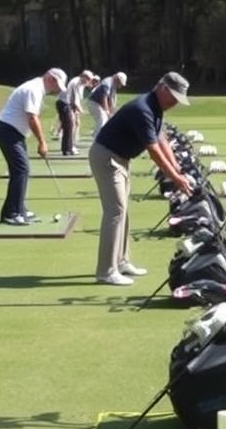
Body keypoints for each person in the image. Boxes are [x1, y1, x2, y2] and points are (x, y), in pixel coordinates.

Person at [89, 72, 193, 285]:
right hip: (107, 157)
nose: (175, 103)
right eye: (173, 97)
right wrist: (174, 177)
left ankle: (122, 261)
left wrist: (177, 169)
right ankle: (106, 271)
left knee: (122, 210)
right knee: (115, 211)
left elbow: (162, 139)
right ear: (162, 88)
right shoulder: (143, 109)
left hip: (120, 159)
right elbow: (153, 150)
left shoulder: (156, 108)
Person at [0, 68, 65, 225]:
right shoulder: (33, 89)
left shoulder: (36, 88)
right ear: (51, 79)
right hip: (7, 131)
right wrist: (42, 142)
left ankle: (16, 208)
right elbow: (32, 118)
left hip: (13, 133)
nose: (57, 90)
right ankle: (12, 213)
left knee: (20, 170)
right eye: (57, 86)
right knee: (21, 170)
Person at [56, 70, 93, 156]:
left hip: (67, 104)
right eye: (88, 79)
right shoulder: (76, 82)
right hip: (64, 104)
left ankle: (69, 148)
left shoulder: (80, 84)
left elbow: (77, 100)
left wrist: (77, 111)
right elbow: (74, 100)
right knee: (69, 126)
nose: (88, 81)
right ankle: (67, 149)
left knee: (71, 126)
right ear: (83, 76)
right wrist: (81, 111)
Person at [86, 71, 127, 138]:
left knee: (106, 119)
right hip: (94, 103)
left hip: (99, 103)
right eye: (120, 83)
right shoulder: (107, 83)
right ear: (117, 79)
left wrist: (112, 110)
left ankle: (102, 135)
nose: (120, 86)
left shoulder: (113, 84)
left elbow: (110, 98)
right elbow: (104, 98)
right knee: (103, 118)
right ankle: (97, 137)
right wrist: (107, 110)